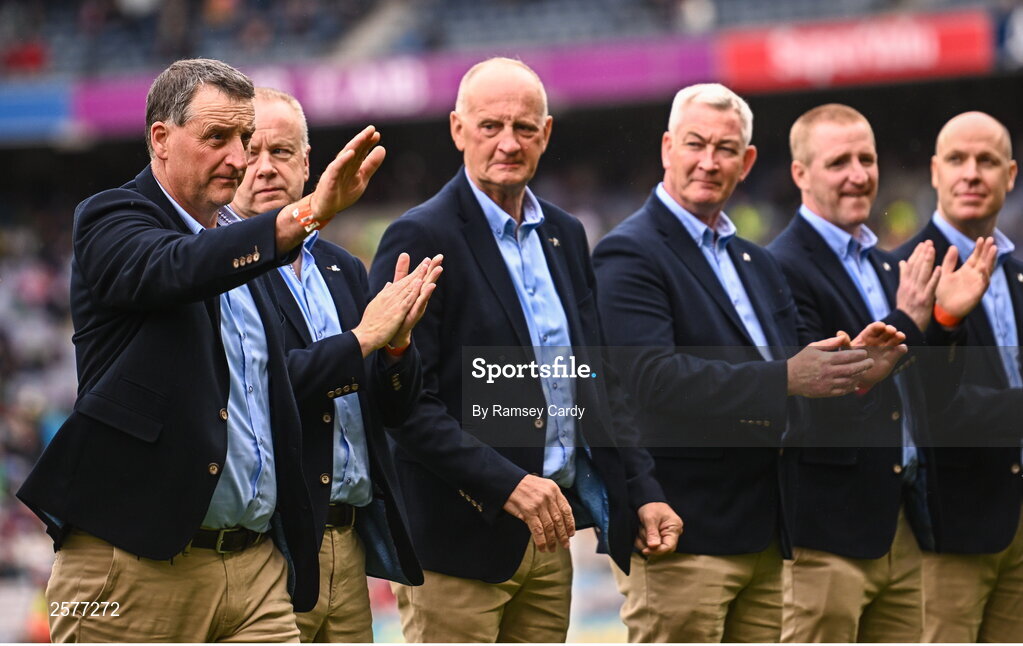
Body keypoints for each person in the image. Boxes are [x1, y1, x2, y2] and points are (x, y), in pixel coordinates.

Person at [16, 58, 428, 642]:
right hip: (133, 565)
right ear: (161, 138)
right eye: (219, 138)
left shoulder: (254, 256)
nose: (238, 158)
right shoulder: (111, 216)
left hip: (256, 567)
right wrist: (308, 217)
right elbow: (176, 267)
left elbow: (276, 387)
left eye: (245, 138)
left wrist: (388, 349)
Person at [368, 57, 682, 643]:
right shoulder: (418, 236)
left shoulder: (566, 234)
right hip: (455, 547)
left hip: (548, 539)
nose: (508, 143)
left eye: (524, 127)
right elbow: (403, 405)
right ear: (458, 129)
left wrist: (643, 490)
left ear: (547, 133)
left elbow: (599, 383)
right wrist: (506, 483)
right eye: (490, 126)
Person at [593, 83, 905, 643]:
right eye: (695, 144)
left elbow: (796, 392)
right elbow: (649, 381)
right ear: (667, 148)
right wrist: (787, 376)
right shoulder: (629, 251)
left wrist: (855, 378)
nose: (709, 162)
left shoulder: (756, 263)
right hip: (682, 535)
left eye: (727, 149)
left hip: (766, 533)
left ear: (749, 162)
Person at [767, 104, 993, 642]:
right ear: (801, 174)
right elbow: (812, 401)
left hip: (901, 528)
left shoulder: (887, 264)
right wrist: (909, 321)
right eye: (838, 161)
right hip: (825, 540)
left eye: (866, 158)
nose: (859, 174)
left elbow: (925, 399)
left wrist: (943, 324)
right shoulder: (778, 266)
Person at [227, 87, 439, 642]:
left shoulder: (343, 268)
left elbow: (390, 408)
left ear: (307, 166)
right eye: (251, 153)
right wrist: (365, 338)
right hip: (274, 545)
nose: (265, 168)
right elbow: (262, 389)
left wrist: (396, 347)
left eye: (282, 152)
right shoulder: (222, 270)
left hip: (349, 543)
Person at [897, 111, 1023, 643]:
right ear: (934, 172)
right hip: (949, 534)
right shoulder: (903, 270)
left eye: (987, 161)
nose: (972, 173)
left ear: (1010, 176)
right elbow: (933, 410)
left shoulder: (1017, 272)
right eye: (957, 159)